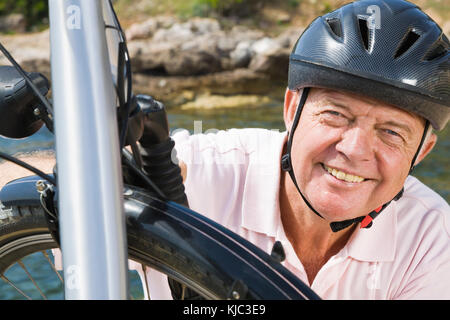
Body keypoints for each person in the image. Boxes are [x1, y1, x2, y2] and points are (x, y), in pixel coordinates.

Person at [1, 0, 448, 299]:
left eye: (392, 132)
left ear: (422, 151)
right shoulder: (211, 172)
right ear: (292, 108)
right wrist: (87, 161)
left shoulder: (430, 237)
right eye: (336, 115)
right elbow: (29, 183)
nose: (354, 149)